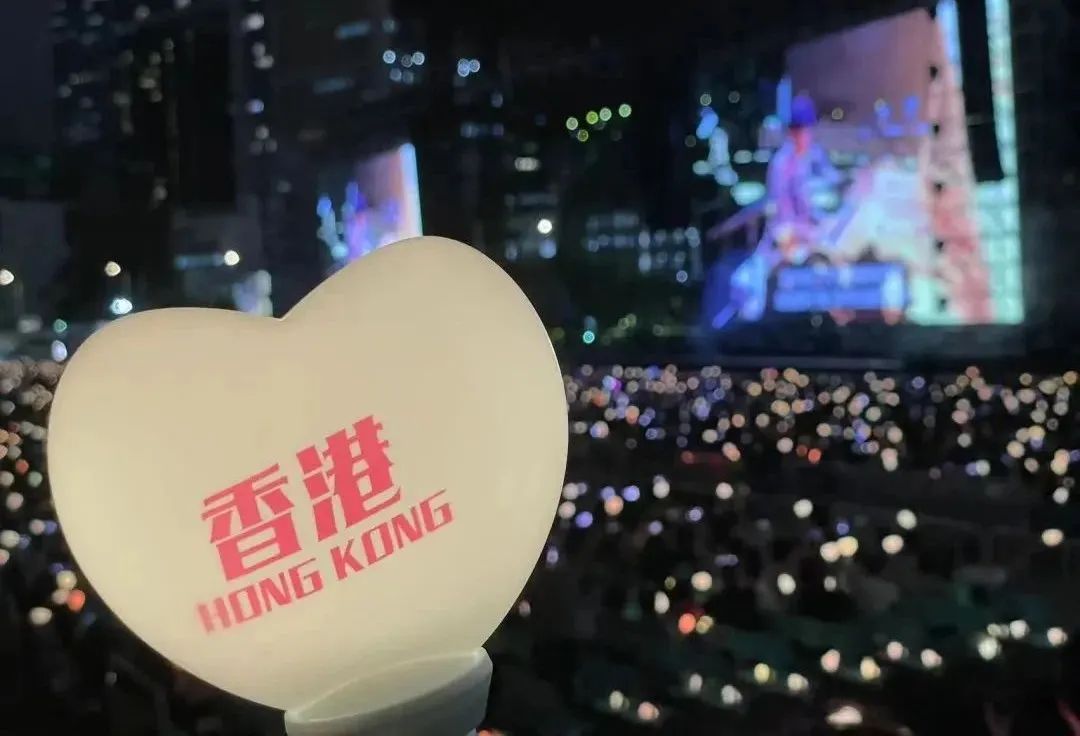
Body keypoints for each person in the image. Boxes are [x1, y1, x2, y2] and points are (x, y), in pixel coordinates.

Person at [764, 93, 845, 262]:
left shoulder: (815, 154)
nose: (805, 136)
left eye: (808, 131)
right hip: (789, 233)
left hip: (814, 227)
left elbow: (831, 178)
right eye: (800, 132)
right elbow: (782, 208)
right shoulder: (782, 163)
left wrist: (846, 179)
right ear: (792, 133)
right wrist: (802, 231)